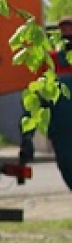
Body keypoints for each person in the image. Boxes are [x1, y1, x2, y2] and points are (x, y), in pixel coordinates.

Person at [49, 16, 72, 191]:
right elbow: (38, 96)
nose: (67, 34)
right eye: (64, 31)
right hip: (61, 132)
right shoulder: (52, 60)